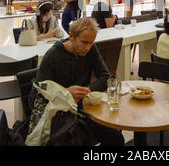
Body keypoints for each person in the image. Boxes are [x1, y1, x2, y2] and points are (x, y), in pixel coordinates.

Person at [33, 17, 124, 146]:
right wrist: (65, 93)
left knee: (116, 138)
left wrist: (87, 90)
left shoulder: (91, 49)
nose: (88, 47)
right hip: (59, 115)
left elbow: (105, 77)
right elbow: (36, 96)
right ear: (71, 36)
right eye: (84, 42)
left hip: (82, 110)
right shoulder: (52, 56)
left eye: (91, 42)